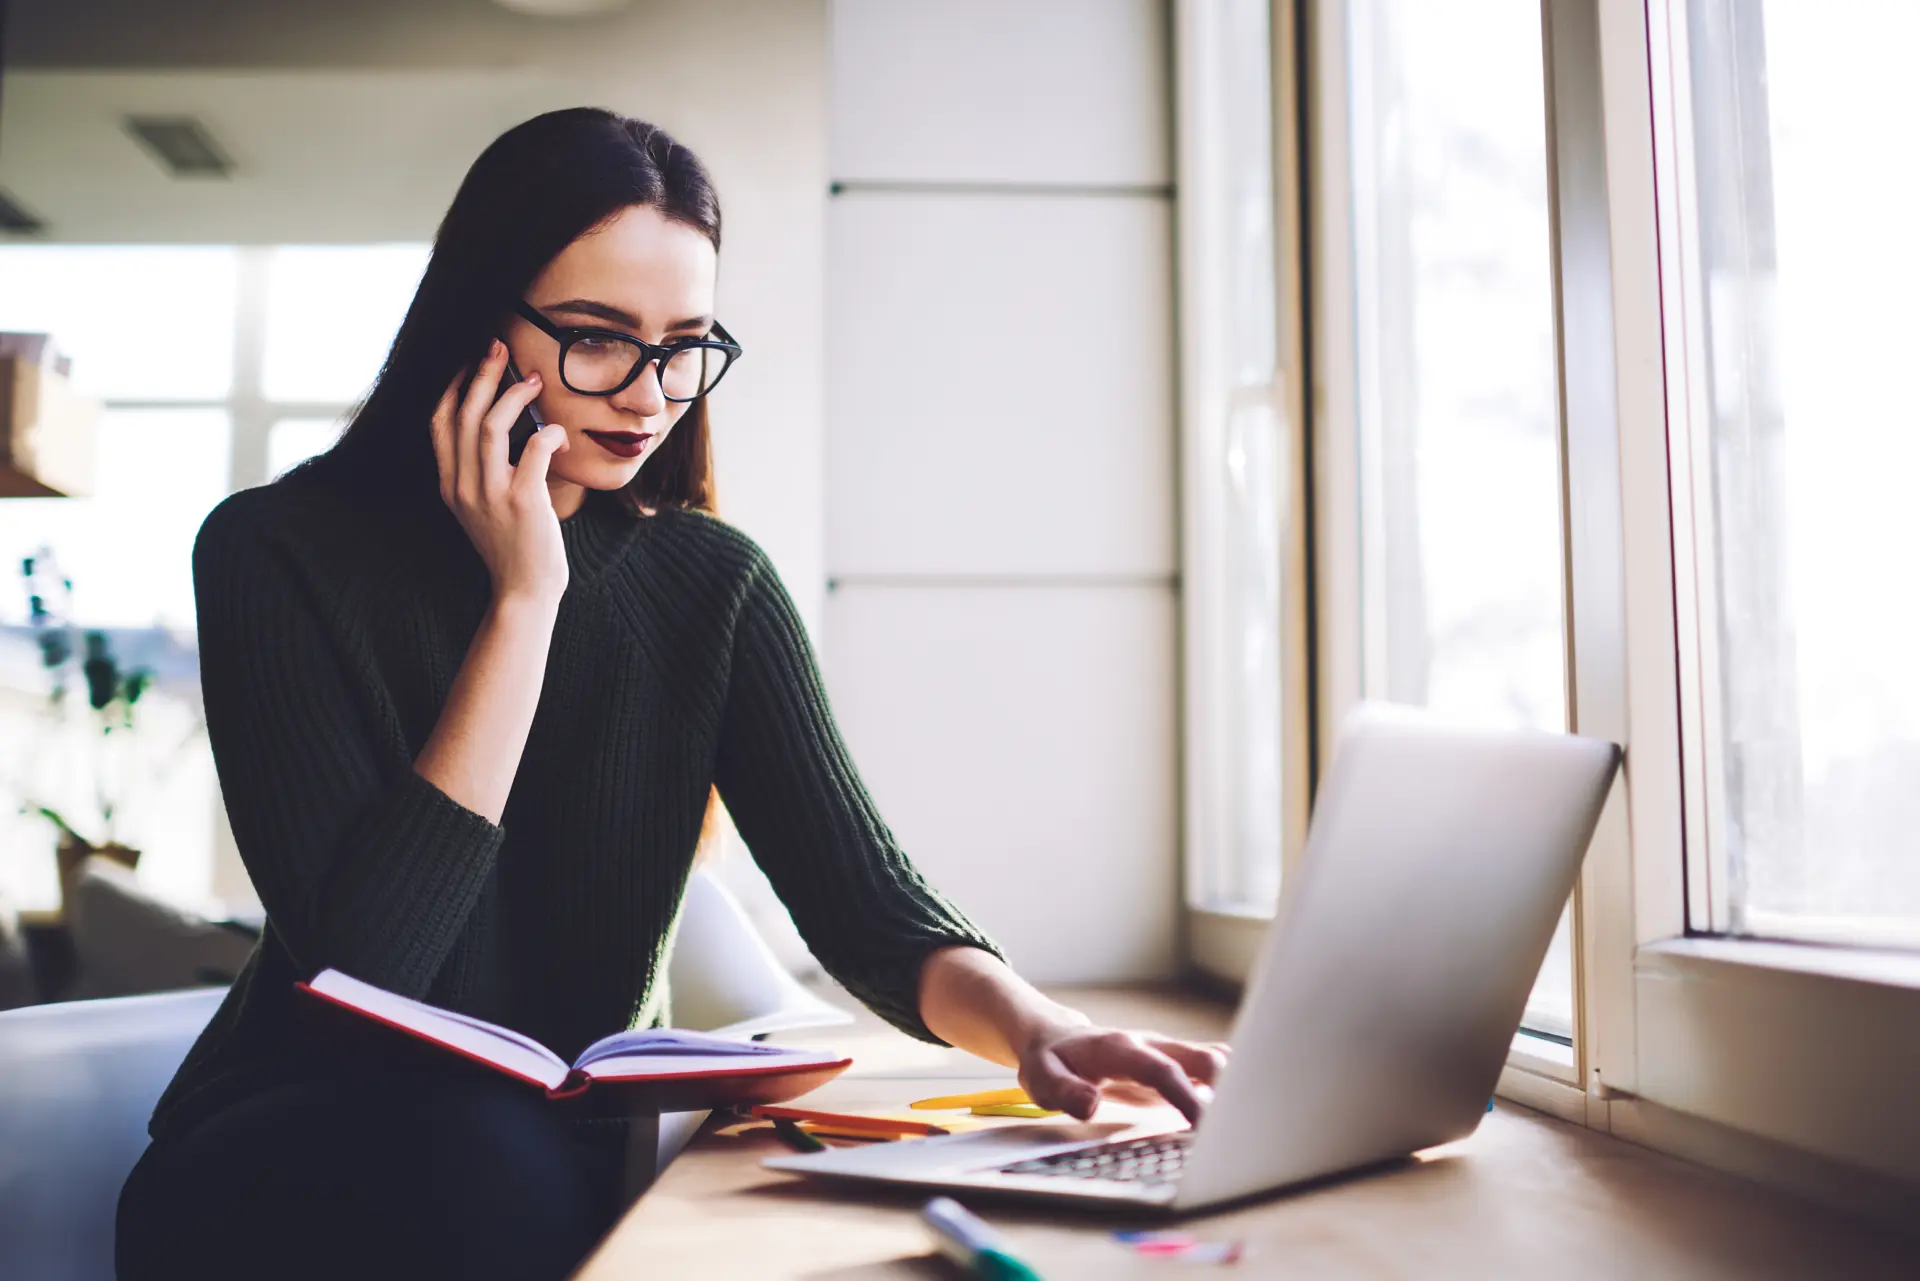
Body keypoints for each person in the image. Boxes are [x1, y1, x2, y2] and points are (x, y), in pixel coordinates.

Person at [115, 108, 1227, 1281]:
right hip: (289, 1146)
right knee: (488, 1168)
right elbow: (369, 972)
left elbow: (866, 908)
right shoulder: (272, 552)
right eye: (598, 338)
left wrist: (1040, 1027)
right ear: (478, 326)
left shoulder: (714, 584)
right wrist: (523, 604)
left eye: (686, 343)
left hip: (543, 1155)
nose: (652, 395)